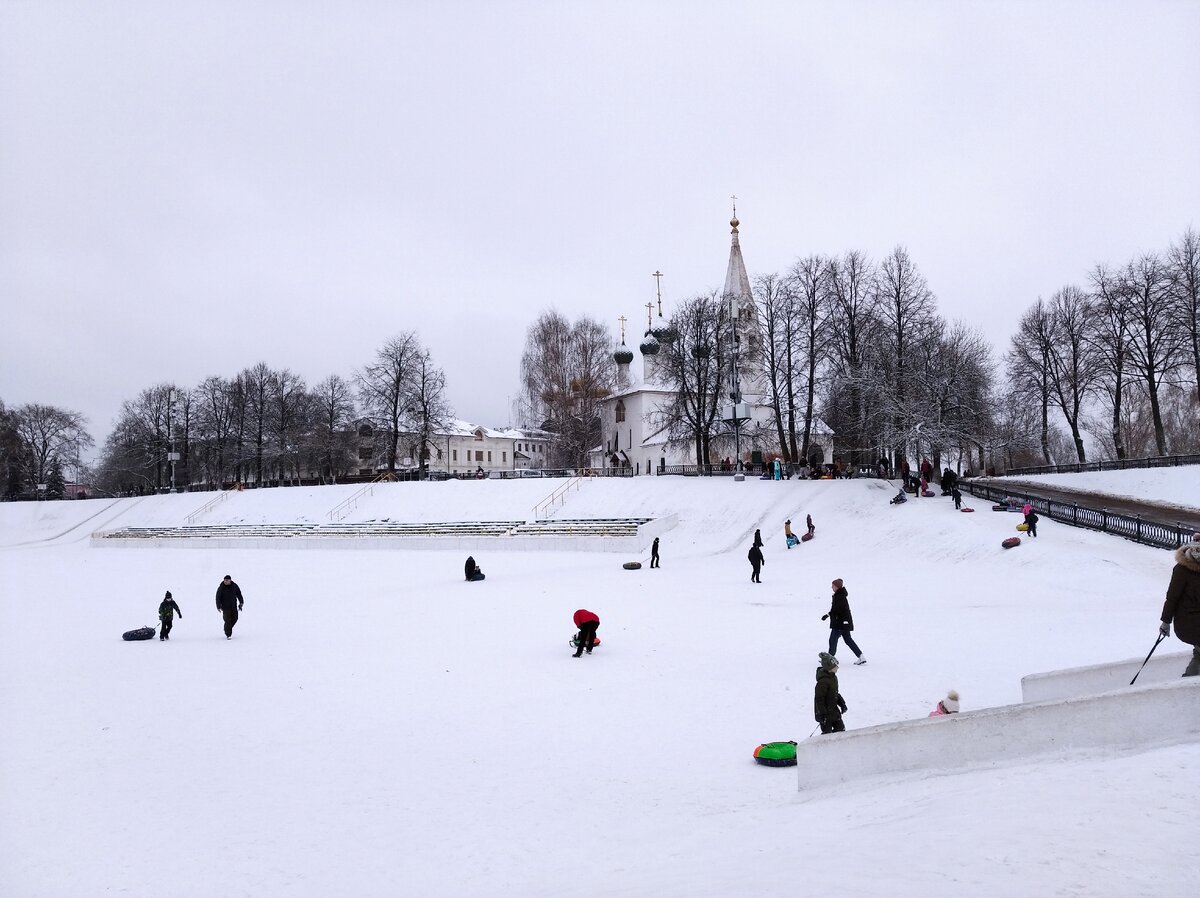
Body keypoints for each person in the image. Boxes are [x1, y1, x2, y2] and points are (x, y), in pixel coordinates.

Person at [1160, 531, 1200, 677]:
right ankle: (1189, 680)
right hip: (1188, 621)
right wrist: (1165, 622)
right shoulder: (1182, 570)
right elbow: (1172, 597)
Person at [822, 578, 865, 664]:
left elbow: (841, 610)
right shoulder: (839, 595)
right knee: (848, 640)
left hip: (840, 623)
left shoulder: (839, 596)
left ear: (837, 587)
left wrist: (844, 621)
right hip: (843, 623)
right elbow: (836, 609)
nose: (832, 587)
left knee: (833, 639)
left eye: (833, 586)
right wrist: (827, 615)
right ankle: (861, 657)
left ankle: (830, 660)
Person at [814, 652, 847, 734]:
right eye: (835, 666)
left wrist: (842, 704)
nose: (838, 667)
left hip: (834, 712)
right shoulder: (823, 682)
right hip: (825, 715)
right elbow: (819, 699)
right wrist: (823, 714)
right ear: (829, 667)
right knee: (827, 736)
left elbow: (835, 693)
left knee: (841, 731)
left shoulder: (833, 678)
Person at [215, 574, 244, 639]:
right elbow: (218, 597)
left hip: (233, 606)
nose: (225, 581)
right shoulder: (221, 587)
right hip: (225, 607)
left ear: (230, 580)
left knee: (235, 618)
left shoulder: (234, 586)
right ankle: (228, 634)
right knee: (227, 620)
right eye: (224, 580)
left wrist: (241, 602)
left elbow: (239, 594)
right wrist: (218, 606)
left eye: (227, 580)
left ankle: (227, 628)